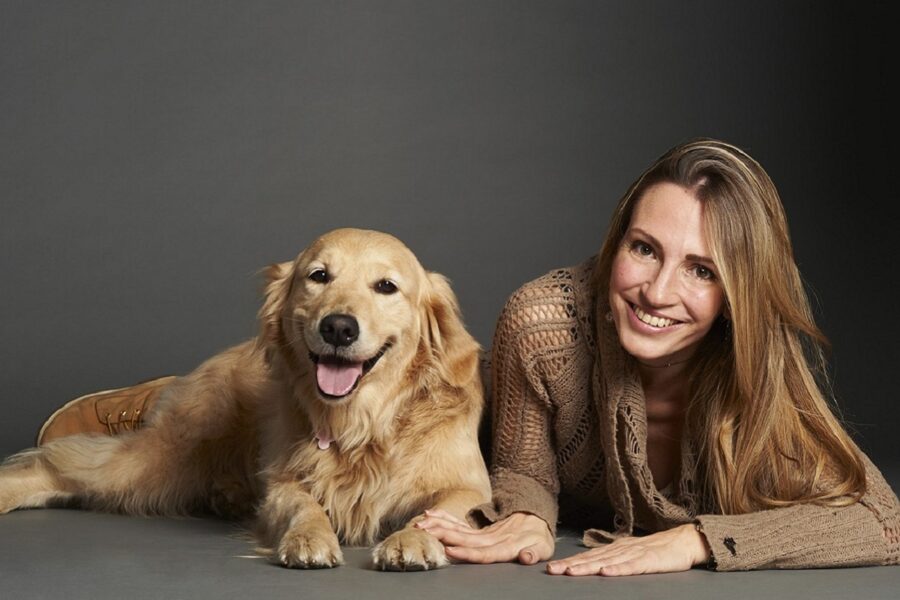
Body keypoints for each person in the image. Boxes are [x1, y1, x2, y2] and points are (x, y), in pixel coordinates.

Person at [415, 138, 899, 575]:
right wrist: (527, 516)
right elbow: (524, 470)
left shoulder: (755, 363)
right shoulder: (543, 326)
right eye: (644, 249)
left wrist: (699, 540)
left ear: (736, 295)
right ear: (616, 242)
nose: (658, 292)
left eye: (701, 271)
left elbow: (884, 522)